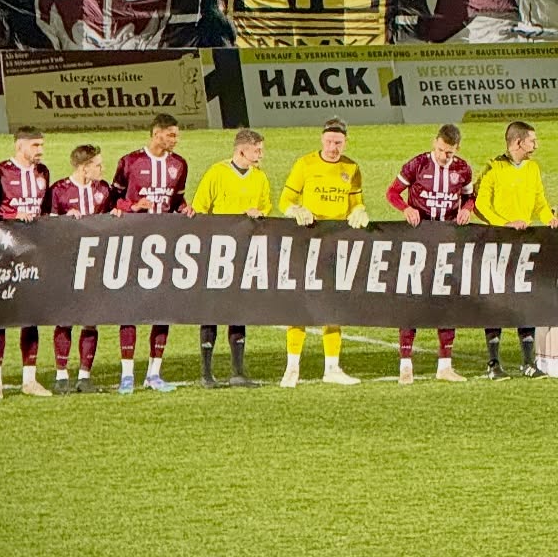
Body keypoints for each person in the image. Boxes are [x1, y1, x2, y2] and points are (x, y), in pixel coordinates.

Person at [279, 119, 370, 387]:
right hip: (307, 241)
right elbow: (285, 199)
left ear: (346, 142)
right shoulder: (305, 164)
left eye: (338, 143)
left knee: (333, 304)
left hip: (336, 244)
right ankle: (292, 367)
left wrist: (358, 210)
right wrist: (295, 210)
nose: (333, 148)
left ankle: (331, 367)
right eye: (329, 142)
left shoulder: (351, 168)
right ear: (321, 140)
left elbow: (356, 202)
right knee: (301, 303)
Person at [387, 124, 477, 383]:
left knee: (445, 301)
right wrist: (405, 208)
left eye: (448, 153)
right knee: (412, 299)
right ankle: (405, 364)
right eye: (439, 150)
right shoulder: (417, 164)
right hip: (418, 243)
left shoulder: (463, 169)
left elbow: (471, 197)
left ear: (456, 149)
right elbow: (391, 193)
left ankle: (445, 365)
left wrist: (467, 209)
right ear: (434, 143)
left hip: (447, 243)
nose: (442, 156)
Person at [110, 112, 190, 393]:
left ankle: (154, 373)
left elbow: (177, 200)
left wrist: (185, 209)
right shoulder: (130, 162)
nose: (175, 140)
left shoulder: (179, 164)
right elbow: (113, 199)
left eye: (176, 135)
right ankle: (127, 374)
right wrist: (132, 206)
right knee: (130, 307)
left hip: (165, 246)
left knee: (162, 309)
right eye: (171, 135)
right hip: (134, 242)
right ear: (157, 134)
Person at [192, 129, 274, 387]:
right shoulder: (217, 173)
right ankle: (206, 373)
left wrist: (258, 213)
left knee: (238, 308)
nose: (260, 155)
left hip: (245, 251)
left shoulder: (259, 178)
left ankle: (238, 371)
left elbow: (266, 207)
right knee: (212, 309)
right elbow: (199, 209)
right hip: (217, 252)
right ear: (241, 151)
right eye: (257, 150)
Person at [475, 119, 555, 379]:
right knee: (497, 300)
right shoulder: (493, 167)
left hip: (523, 245)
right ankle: (493, 363)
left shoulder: (533, 169)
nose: (536, 145)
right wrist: (505, 224)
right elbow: (480, 204)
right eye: (532, 140)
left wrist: (550, 218)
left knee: (525, 299)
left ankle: (528, 362)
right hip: (497, 242)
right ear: (518, 142)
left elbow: (540, 203)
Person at [0, 128, 53, 399]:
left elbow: (44, 211)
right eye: (35, 145)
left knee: (30, 315)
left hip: (33, 252)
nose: (40, 150)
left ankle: (29, 379)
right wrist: (14, 213)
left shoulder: (43, 172)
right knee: (0, 315)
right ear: (20, 146)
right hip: (4, 251)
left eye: (41, 145)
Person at [48, 145, 115, 394]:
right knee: (65, 319)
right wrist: (65, 221)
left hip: (95, 264)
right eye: (98, 164)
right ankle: (61, 376)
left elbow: (113, 217)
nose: (102, 168)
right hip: (67, 264)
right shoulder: (59, 190)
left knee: (91, 320)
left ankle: (85, 376)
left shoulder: (104, 189)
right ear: (84, 167)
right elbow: (48, 226)